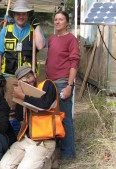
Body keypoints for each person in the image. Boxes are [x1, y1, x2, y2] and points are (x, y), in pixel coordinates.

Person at [0, 66, 57, 169]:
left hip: (43, 142)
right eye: (24, 80)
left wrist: (23, 97)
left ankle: (47, 161)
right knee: (4, 166)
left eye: (29, 76)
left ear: (34, 75)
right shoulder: (23, 94)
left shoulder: (47, 84)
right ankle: (40, 162)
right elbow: (18, 118)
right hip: (27, 140)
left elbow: (46, 105)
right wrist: (18, 99)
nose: (29, 81)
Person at [0, 0, 45, 113]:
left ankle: (27, 130)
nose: (21, 16)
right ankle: (14, 130)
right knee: (12, 107)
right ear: (14, 15)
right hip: (10, 75)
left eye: (24, 14)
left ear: (28, 15)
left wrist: (37, 27)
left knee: (29, 107)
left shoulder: (34, 30)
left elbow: (41, 46)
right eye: (18, 14)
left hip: (29, 77)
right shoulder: (5, 31)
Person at [45, 11, 80, 160]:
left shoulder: (71, 39)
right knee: (53, 116)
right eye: (56, 19)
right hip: (50, 83)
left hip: (63, 82)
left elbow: (74, 63)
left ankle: (68, 153)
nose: (58, 22)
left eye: (61, 19)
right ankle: (57, 147)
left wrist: (69, 85)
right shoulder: (52, 39)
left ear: (67, 22)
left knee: (65, 118)